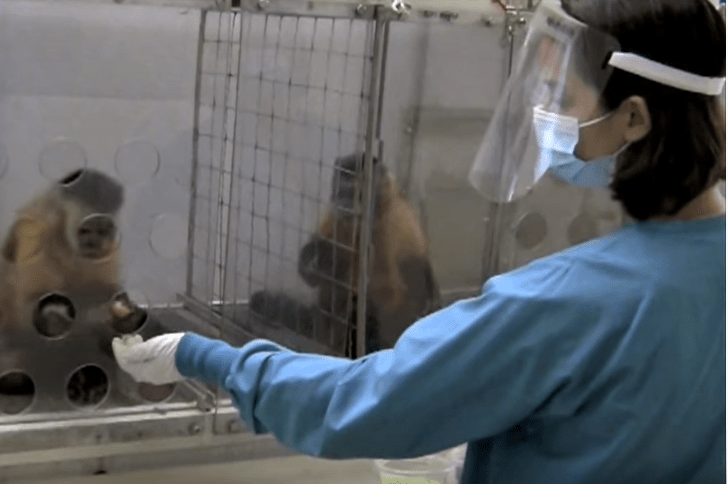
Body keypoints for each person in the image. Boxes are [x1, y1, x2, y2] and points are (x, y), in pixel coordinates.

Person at [113, 0, 727, 482]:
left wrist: (205, 357)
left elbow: (359, 406)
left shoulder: (567, 302)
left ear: (635, 118)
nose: (547, 120)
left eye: (562, 101)